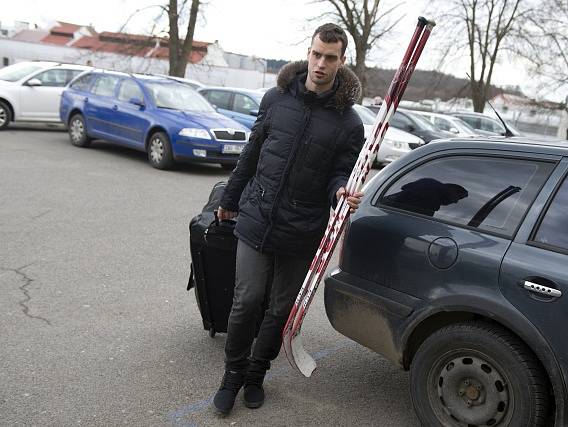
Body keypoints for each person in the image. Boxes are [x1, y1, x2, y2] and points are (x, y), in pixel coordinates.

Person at [214, 23, 365, 415]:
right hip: (257, 214)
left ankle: (255, 375)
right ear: (308, 53)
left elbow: (341, 173)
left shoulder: (349, 123)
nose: (320, 63)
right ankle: (231, 375)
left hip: (303, 227)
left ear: (341, 61)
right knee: (246, 301)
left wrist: (341, 192)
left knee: (281, 309)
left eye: (329, 58)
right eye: (316, 54)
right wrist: (230, 198)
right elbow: (252, 152)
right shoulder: (275, 99)